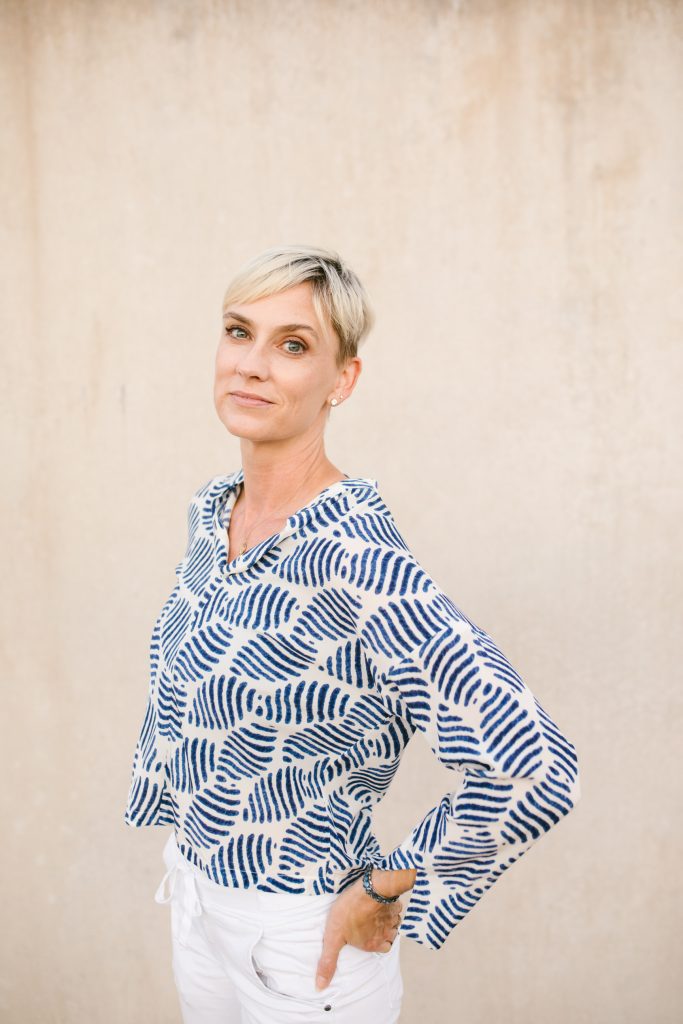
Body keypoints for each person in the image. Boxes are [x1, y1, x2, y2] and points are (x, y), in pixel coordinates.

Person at [123, 244, 581, 1023]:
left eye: (292, 345)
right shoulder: (212, 512)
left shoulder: (356, 558)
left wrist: (384, 885)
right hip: (197, 904)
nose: (251, 365)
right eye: (238, 332)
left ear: (342, 379)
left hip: (300, 938)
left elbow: (533, 764)